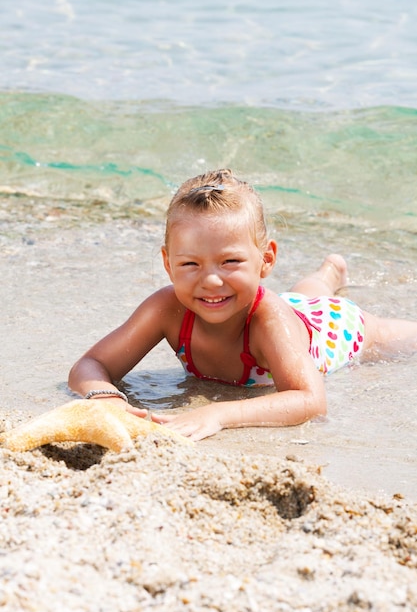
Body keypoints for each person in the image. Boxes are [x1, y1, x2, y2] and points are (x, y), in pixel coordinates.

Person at [68, 169, 417, 441]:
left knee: (383, 330)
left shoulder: (269, 321)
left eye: (230, 261)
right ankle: (329, 272)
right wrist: (104, 397)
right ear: (168, 263)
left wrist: (218, 414)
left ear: (266, 260)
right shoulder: (167, 308)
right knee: (308, 293)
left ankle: (329, 276)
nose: (212, 281)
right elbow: (91, 364)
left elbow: (311, 400)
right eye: (190, 264)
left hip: (334, 327)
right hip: (295, 307)